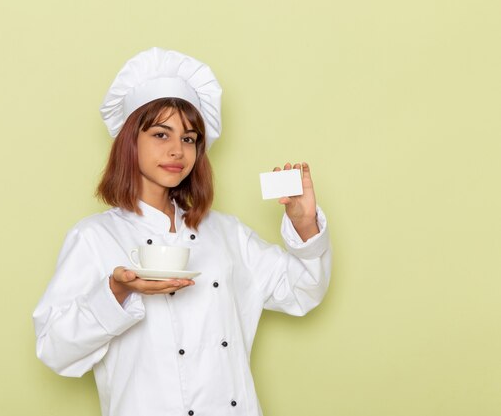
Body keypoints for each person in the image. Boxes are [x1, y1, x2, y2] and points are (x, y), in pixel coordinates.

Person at [33, 47, 332, 416]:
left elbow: (303, 290)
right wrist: (117, 291)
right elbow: (54, 349)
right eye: (161, 134)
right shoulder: (95, 238)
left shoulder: (225, 233)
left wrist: (304, 223)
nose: (177, 150)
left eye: (189, 139)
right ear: (130, 141)